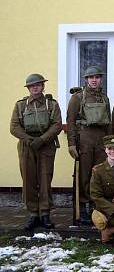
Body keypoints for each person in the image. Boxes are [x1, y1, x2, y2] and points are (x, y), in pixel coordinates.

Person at [10, 74, 62, 229]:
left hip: (46, 145)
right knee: (29, 178)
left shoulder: (51, 104)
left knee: (45, 179)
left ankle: (45, 214)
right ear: (28, 88)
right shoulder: (20, 105)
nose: (35, 87)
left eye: (38, 84)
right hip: (27, 145)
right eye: (32, 85)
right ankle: (33, 214)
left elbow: (57, 125)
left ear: (43, 86)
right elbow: (14, 126)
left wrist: (43, 140)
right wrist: (28, 139)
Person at [66, 66, 112, 224]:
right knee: (84, 174)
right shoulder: (77, 97)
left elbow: (109, 124)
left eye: (97, 77)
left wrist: (111, 143)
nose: (94, 80)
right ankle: (84, 206)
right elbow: (70, 122)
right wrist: (71, 144)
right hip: (84, 138)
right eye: (91, 77)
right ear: (86, 80)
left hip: (101, 139)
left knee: (99, 174)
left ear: (101, 79)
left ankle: (97, 206)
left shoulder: (104, 98)